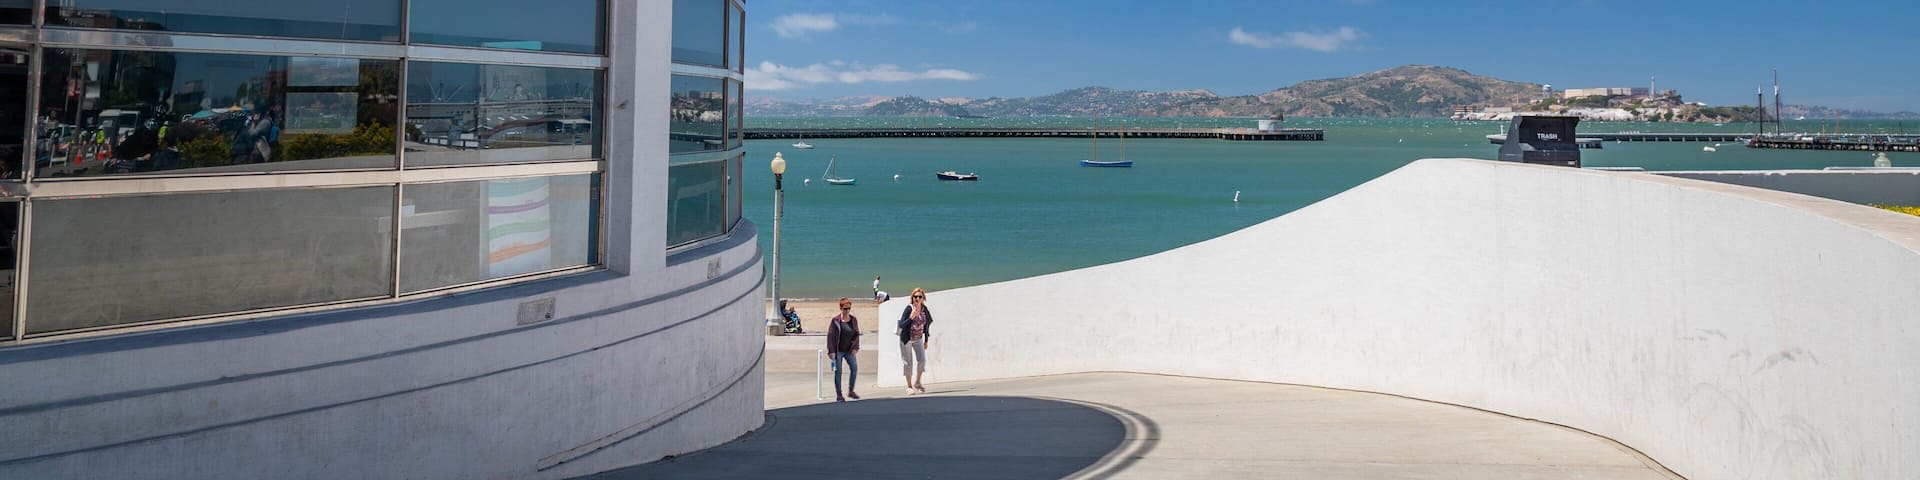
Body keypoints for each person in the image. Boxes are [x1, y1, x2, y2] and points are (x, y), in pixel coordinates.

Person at [897, 288, 932, 394]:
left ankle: (917, 382)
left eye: (920, 297)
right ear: (912, 298)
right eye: (915, 296)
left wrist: (926, 340)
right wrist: (911, 318)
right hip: (907, 339)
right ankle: (909, 386)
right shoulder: (909, 308)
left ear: (923, 298)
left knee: (922, 360)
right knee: (908, 363)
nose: (917, 298)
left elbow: (927, 324)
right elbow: (901, 325)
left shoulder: (924, 309)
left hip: (918, 339)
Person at [826, 297, 861, 402]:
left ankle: (851, 390)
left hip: (849, 350)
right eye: (845, 309)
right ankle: (839, 394)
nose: (847, 311)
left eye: (849, 308)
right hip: (838, 351)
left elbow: (856, 334)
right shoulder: (835, 321)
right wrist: (831, 351)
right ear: (840, 308)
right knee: (838, 372)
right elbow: (830, 336)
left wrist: (855, 347)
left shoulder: (853, 320)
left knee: (854, 369)